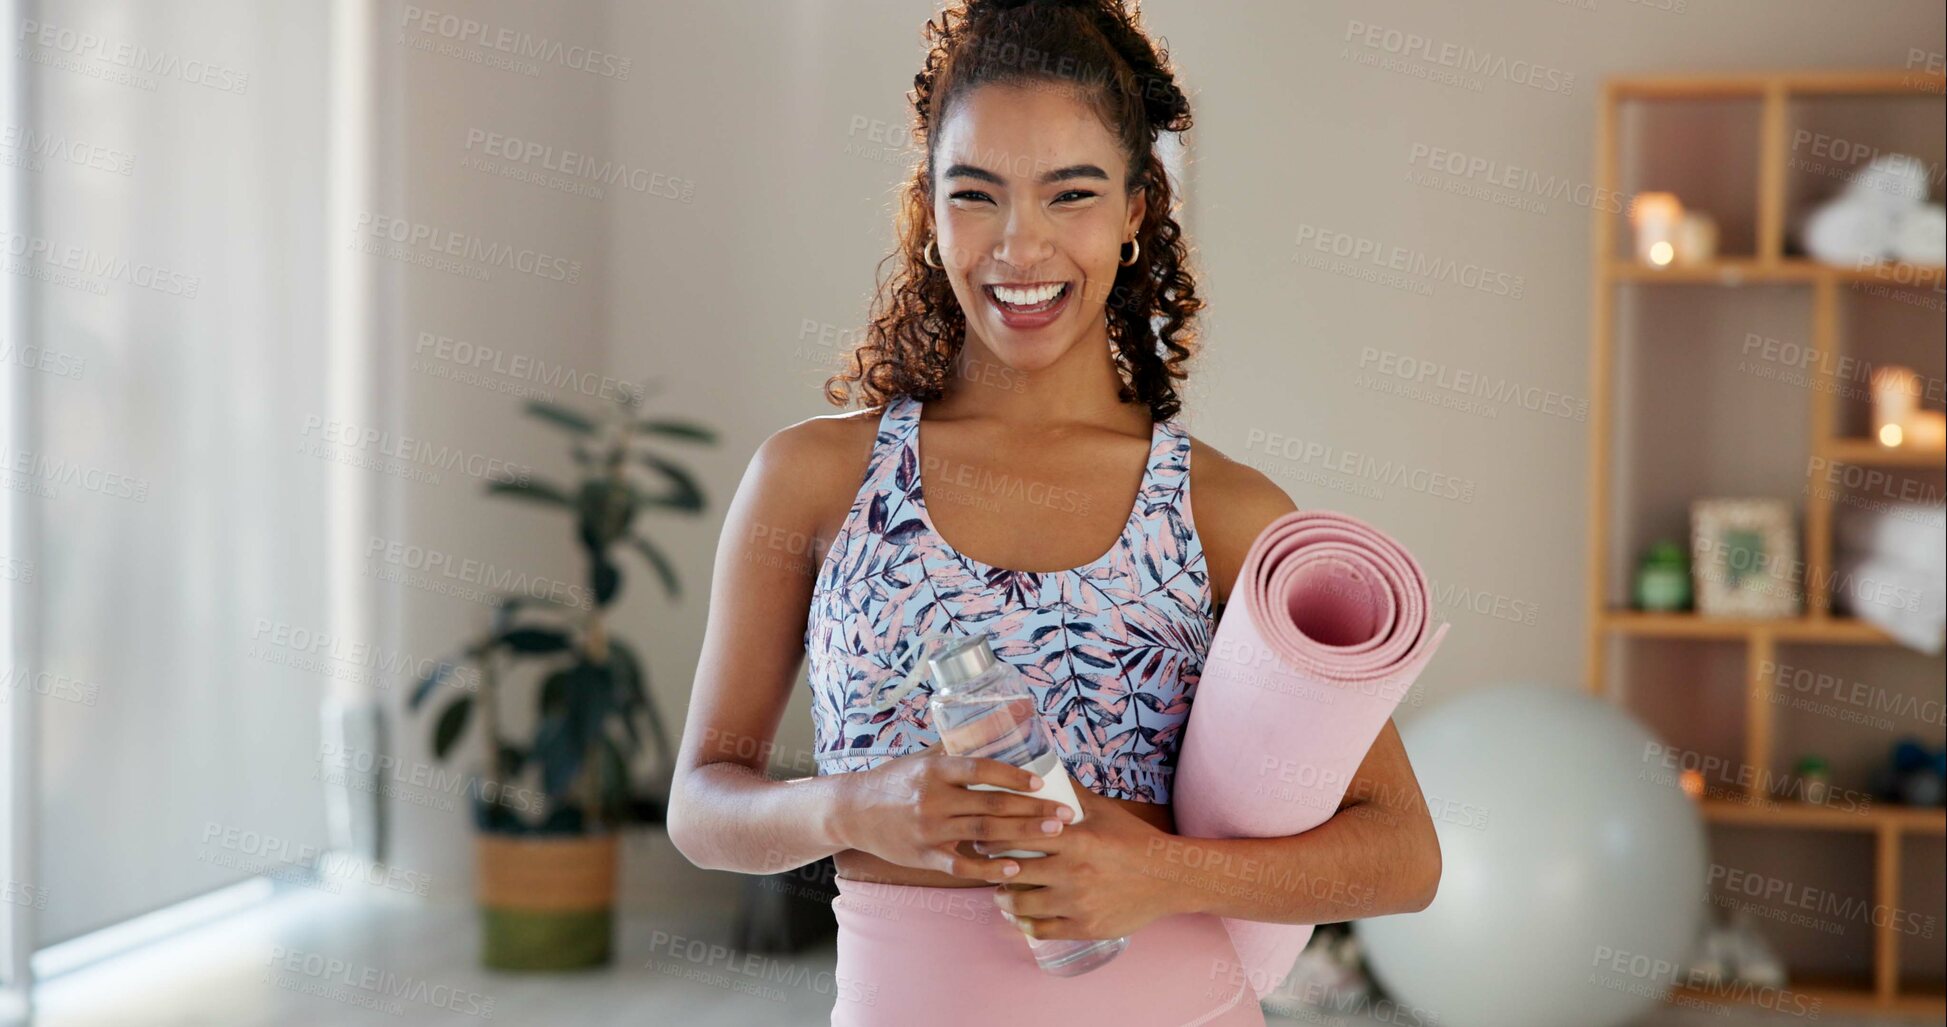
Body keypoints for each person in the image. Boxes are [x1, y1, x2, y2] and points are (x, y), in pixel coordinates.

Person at [668, 1, 1440, 1022]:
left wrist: (1166, 872)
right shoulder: (814, 480)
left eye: (1069, 193)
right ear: (930, 209)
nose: (1021, 246)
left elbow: (1403, 856)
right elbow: (701, 805)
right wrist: (854, 804)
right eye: (976, 194)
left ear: (1133, 210)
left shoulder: (1220, 510)